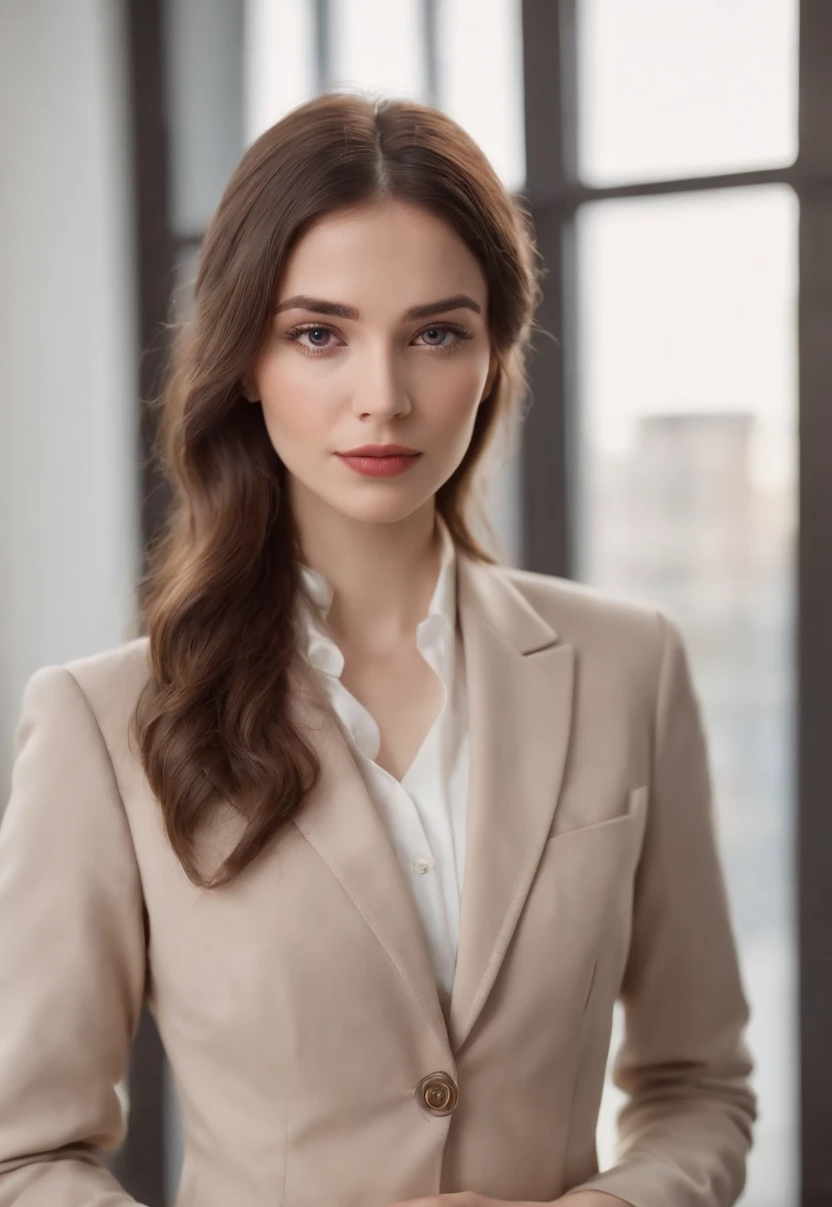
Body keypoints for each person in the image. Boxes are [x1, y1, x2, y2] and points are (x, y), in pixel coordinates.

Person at [0, 91, 755, 1207]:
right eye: (319, 334)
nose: (383, 398)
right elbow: (27, 1152)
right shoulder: (101, 723)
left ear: (494, 356)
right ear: (245, 359)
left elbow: (699, 1088)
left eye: (436, 333)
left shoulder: (628, 665)